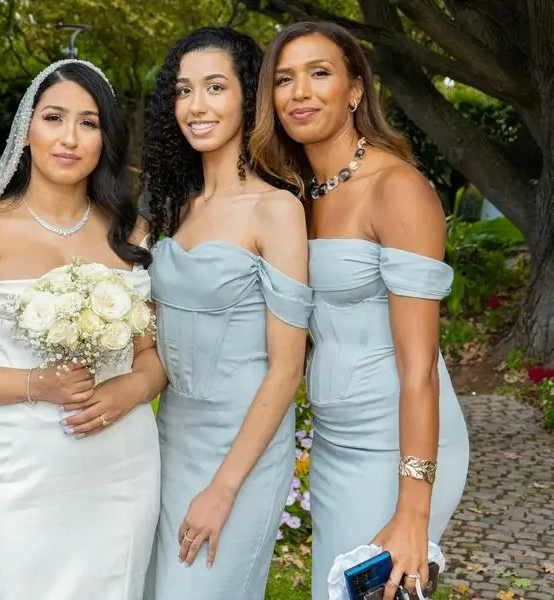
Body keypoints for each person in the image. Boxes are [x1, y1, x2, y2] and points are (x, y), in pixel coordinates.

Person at [0, 59, 164, 600]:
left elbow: (152, 357)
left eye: (88, 123)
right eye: (54, 118)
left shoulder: (128, 235)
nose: (69, 138)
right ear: (27, 131)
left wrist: (129, 390)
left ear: (105, 138)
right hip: (16, 471)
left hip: (120, 467)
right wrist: (33, 385)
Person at [251, 20, 470, 600]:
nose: (299, 92)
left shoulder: (396, 189)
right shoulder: (295, 194)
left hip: (402, 447)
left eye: (319, 74)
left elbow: (419, 367)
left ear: (354, 91)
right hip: (333, 443)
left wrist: (413, 513)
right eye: (284, 79)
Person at [142, 27, 313, 600]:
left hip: (243, 451)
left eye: (215, 87)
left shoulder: (277, 209)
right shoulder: (173, 206)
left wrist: (223, 488)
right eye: (184, 90)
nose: (196, 106)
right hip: (168, 440)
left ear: (248, 97)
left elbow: (287, 369)